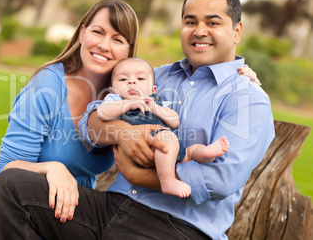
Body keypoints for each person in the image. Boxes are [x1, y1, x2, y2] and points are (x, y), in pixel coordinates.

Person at [0, 0, 273, 240]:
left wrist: (139, 176)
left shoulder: (248, 99)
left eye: (213, 22)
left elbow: (221, 179)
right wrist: (121, 131)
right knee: (12, 187)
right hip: (110, 209)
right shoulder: (155, 76)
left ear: (237, 31)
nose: (199, 31)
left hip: (176, 227)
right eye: (190, 21)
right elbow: (92, 119)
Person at [0, 0, 139, 240]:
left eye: (117, 39)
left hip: (66, 213)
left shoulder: (121, 100)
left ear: (128, 51)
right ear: (82, 33)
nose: (104, 45)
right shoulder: (47, 85)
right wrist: (52, 168)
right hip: (5, 208)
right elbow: (7, 168)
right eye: (97, 32)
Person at [97, 57, 229, 198]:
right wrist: (126, 105)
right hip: (146, 144)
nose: (131, 82)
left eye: (140, 78)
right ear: (112, 90)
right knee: (168, 138)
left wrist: (157, 109)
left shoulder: (154, 101)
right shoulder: (116, 100)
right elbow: (102, 112)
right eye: (123, 80)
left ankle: (205, 153)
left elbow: (175, 121)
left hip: (168, 150)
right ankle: (167, 180)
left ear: (153, 89)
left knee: (190, 151)